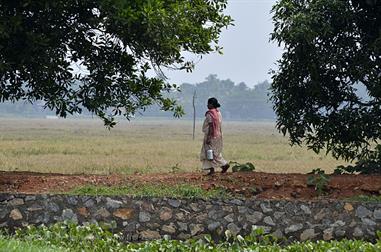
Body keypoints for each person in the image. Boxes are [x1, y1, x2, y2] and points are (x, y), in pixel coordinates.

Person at [200, 97, 229, 175]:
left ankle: (223, 165)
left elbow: (211, 126)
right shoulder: (218, 113)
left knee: (209, 152)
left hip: (211, 135)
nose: (207, 105)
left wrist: (209, 137)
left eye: (209, 103)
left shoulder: (210, 114)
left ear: (212, 104)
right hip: (218, 135)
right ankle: (216, 167)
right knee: (215, 152)